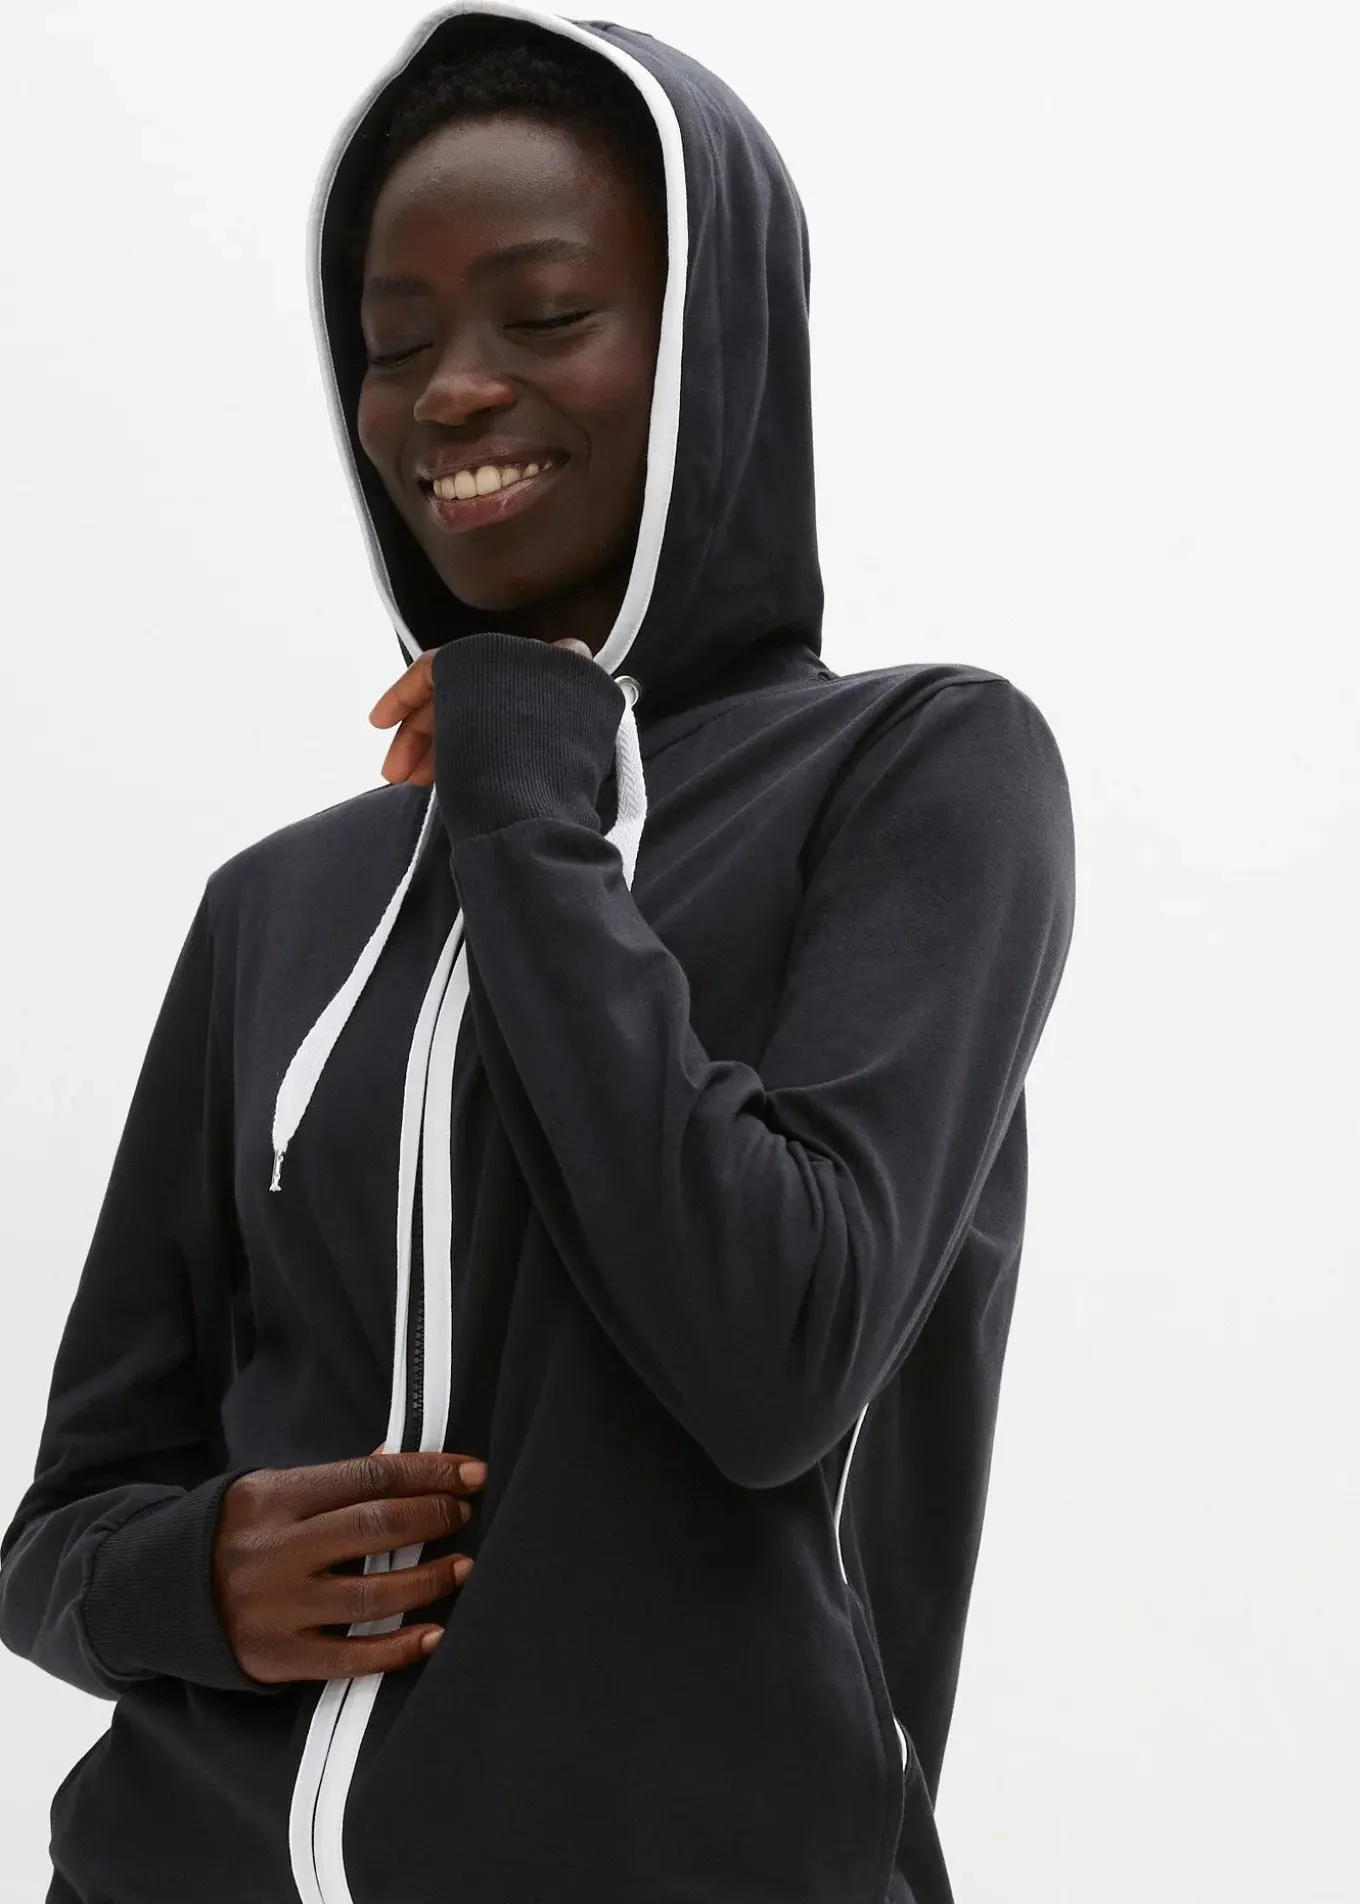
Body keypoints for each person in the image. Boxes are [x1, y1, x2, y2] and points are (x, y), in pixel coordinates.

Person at [0, 6, 1077, 1902]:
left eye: (546, 313)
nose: (450, 393)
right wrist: (196, 1582)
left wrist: (526, 779)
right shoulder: (278, 901)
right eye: (393, 343)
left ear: (715, 347)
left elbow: (777, 1354)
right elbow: (64, 1528)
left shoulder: (920, 773)